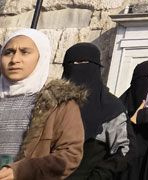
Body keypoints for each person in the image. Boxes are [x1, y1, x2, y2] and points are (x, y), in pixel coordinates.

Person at [0, 29, 85, 179]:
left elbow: (70, 154)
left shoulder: (59, 103)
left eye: (25, 52)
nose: (15, 60)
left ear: (41, 57)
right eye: (9, 52)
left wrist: (21, 171)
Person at [62, 43, 129, 180]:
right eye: (70, 63)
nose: (76, 67)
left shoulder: (111, 108)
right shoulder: (53, 104)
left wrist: (98, 176)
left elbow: (124, 150)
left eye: (82, 62)